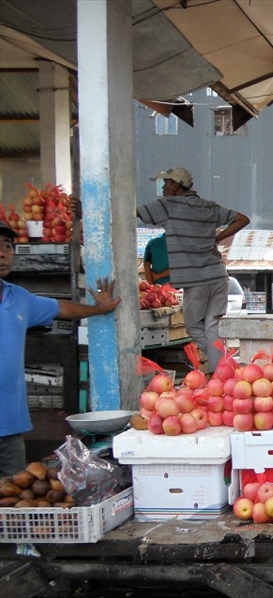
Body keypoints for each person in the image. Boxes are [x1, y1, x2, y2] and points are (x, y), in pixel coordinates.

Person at [0, 221, 121, 476]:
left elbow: (61, 308)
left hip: (10, 427)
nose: (2, 253)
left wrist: (98, 309)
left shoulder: (18, 298)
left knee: (14, 498)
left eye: (7, 246)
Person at [136, 167, 248, 371]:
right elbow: (242, 219)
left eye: (166, 184)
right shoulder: (209, 207)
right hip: (219, 275)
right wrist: (217, 238)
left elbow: (133, 213)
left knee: (194, 326)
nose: (163, 188)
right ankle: (222, 368)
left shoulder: (168, 205)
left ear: (176, 186)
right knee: (212, 326)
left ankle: (223, 365)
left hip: (197, 280)